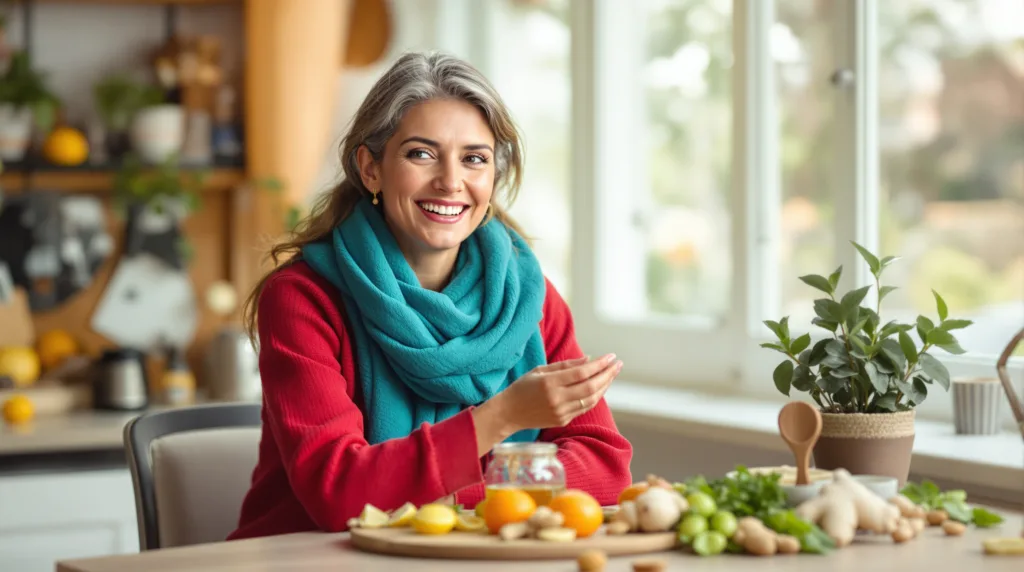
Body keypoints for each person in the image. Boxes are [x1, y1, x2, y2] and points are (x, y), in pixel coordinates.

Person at [227, 51, 633, 540]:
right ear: (371, 168)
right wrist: (504, 417)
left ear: (493, 177)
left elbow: (606, 469)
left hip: (471, 557)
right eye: (421, 154)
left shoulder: (532, 299)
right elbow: (340, 494)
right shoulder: (303, 299)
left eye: (474, 159)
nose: (451, 181)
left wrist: (436, 497)